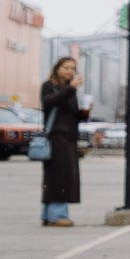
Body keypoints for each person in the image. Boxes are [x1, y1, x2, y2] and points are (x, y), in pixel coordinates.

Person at [38, 56, 88, 227]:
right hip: (56, 137)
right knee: (59, 176)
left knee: (61, 176)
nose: (69, 71)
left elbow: (70, 116)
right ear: (57, 69)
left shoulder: (69, 90)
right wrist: (71, 89)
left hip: (69, 138)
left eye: (73, 68)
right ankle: (57, 215)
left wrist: (85, 113)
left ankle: (48, 214)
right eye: (66, 67)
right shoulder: (49, 86)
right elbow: (48, 102)